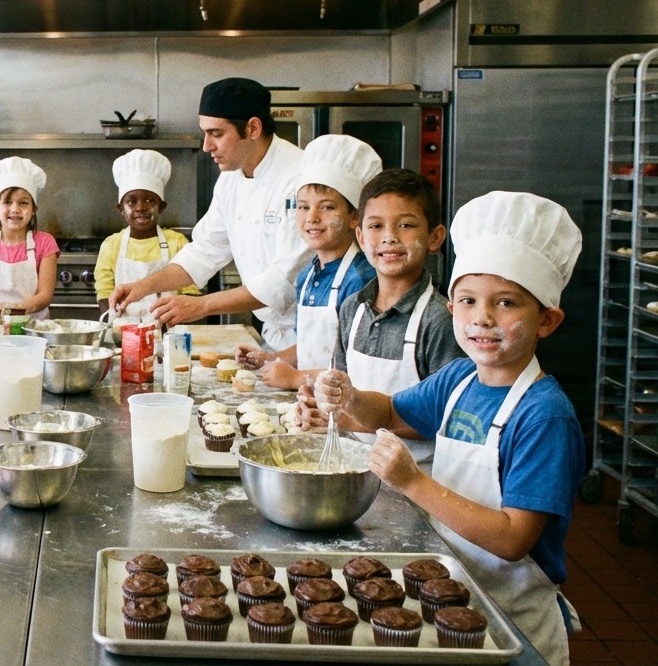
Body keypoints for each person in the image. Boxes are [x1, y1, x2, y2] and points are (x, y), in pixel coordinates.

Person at [312, 191, 585, 663]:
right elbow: (395, 412)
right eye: (467, 300)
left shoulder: (544, 416)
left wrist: (411, 481)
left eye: (506, 303)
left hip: (514, 619)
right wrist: (352, 399)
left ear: (547, 320)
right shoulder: (460, 379)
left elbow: (512, 538)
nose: (482, 317)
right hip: (454, 591)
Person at [109, 77, 312, 350]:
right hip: (273, 336)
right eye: (205, 133)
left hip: (311, 336)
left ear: (252, 128)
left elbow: (283, 282)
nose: (206, 146)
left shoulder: (299, 179)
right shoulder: (231, 177)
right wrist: (143, 286)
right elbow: (204, 251)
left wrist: (202, 305)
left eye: (216, 134)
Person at [300, 168, 462, 467]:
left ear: (435, 237)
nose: (389, 237)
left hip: (419, 479)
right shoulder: (353, 309)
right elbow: (341, 386)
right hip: (353, 466)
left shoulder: (440, 321)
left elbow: (446, 421)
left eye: (406, 225)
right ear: (360, 236)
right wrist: (318, 404)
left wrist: (349, 421)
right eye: (376, 226)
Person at [234, 135, 379, 388]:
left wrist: (296, 378)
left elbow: (360, 366)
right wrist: (271, 358)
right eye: (303, 207)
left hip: (345, 409)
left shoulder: (360, 279)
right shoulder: (308, 275)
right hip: (313, 402)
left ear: (354, 216)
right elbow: (310, 346)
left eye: (327, 208)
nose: (311, 217)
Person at [94, 148, 198, 320]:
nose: (140, 207)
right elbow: (104, 291)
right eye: (131, 201)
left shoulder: (177, 243)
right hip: (126, 333)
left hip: (170, 333)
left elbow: (191, 292)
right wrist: (112, 323)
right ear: (121, 209)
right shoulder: (111, 245)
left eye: (150, 200)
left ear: (162, 206)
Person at [0, 156, 59, 323]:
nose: (15, 209)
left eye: (23, 203)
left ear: (33, 209)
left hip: (32, 329)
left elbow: (45, 296)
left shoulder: (45, 243)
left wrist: (13, 311)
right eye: (7, 202)